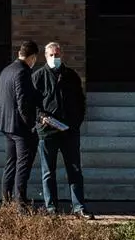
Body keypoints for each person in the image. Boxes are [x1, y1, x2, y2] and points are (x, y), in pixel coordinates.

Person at [31, 40, 91, 217]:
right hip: (47, 131)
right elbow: (31, 103)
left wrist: (76, 123)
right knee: (48, 172)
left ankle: (79, 207)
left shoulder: (71, 76)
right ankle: (51, 209)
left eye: (57, 54)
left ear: (62, 54)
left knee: (75, 170)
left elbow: (80, 101)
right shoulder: (38, 77)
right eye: (51, 55)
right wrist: (41, 117)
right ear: (45, 56)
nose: (54, 57)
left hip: (69, 131)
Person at [0, 40, 40, 207]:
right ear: (32, 57)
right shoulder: (23, 72)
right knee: (22, 166)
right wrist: (31, 124)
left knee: (10, 164)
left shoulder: (6, 70)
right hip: (20, 127)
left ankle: (6, 203)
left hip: (6, 124)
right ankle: (21, 204)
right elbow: (22, 101)